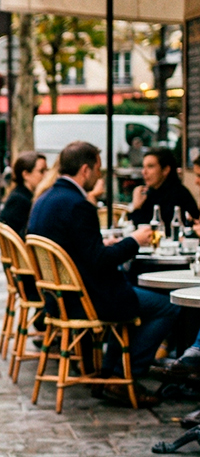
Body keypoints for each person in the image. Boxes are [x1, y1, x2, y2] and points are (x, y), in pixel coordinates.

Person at [27, 141, 178, 406]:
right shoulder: (78, 205)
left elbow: (80, 250)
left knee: (132, 294)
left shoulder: (45, 199)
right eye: (97, 169)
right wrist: (134, 241)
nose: (99, 175)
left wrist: (105, 245)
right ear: (85, 170)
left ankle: (110, 374)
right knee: (168, 307)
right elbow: (99, 262)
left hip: (58, 297)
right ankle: (123, 375)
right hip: (85, 299)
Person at [128, 147, 199, 232]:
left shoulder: (178, 195)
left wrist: (137, 209)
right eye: (143, 167)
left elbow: (151, 230)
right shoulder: (149, 194)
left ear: (165, 170)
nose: (144, 172)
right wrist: (137, 206)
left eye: (150, 167)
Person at [0, 151, 47, 237]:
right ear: (26, 175)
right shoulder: (20, 200)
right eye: (41, 171)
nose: (46, 175)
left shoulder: (21, 195)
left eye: (47, 170)